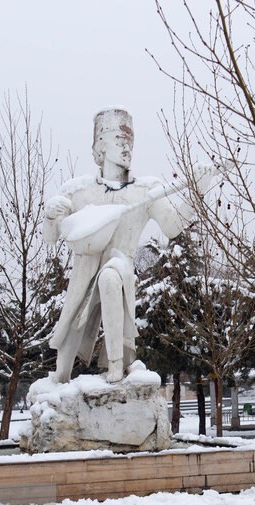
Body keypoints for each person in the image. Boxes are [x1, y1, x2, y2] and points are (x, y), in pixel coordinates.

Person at [43, 107, 212, 384]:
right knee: (63, 363)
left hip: (121, 266)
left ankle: (116, 365)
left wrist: (198, 192)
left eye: (130, 143)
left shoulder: (145, 190)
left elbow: (172, 226)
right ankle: (60, 381)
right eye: (120, 142)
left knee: (110, 277)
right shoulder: (79, 191)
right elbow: (52, 236)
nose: (127, 149)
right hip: (84, 274)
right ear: (100, 145)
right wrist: (51, 216)